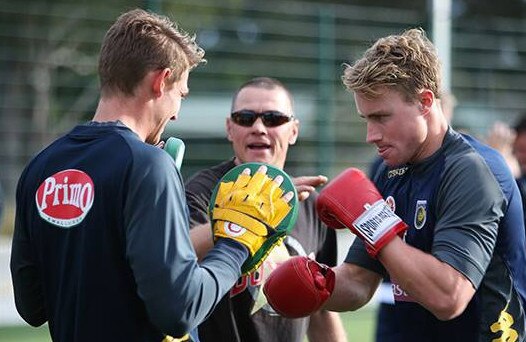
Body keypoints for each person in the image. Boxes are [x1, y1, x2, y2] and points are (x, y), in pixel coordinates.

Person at [10, 9, 295, 342]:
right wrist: (235, 242)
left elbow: (32, 307)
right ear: (161, 81)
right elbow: (179, 312)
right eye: (181, 95)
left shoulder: (41, 166)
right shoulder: (148, 165)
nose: (176, 113)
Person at [263, 28, 526, 341]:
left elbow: (448, 297)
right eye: (366, 120)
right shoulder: (391, 172)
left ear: (425, 101)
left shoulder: (472, 172)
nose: (371, 135)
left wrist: (376, 227)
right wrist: (314, 283)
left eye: (381, 117)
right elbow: (359, 282)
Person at [185, 77, 347, 342]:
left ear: (293, 130)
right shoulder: (205, 190)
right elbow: (180, 251)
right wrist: (248, 213)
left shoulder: (311, 205)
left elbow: (321, 309)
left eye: (273, 119)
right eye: (245, 118)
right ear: (229, 128)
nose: (259, 127)